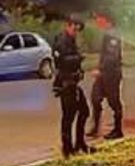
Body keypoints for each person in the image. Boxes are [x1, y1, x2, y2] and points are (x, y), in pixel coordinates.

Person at [52, 13, 92, 158]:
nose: (76, 32)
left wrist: (79, 70)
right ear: (68, 26)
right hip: (66, 83)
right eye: (75, 29)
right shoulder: (61, 40)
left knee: (84, 111)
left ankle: (80, 143)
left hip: (73, 82)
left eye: (78, 30)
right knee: (68, 116)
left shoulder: (71, 39)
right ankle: (67, 148)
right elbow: (61, 61)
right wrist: (78, 58)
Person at [87, 10, 124, 139]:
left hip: (111, 73)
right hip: (104, 74)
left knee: (114, 101)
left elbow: (112, 56)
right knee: (95, 98)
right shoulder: (107, 34)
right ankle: (96, 127)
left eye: (99, 19)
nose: (97, 22)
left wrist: (101, 69)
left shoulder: (113, 34)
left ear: (106, 19)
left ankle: (118, 129)